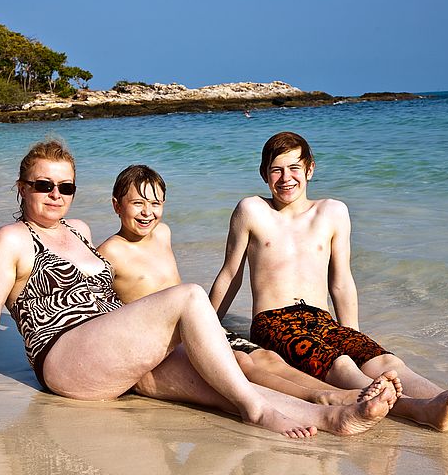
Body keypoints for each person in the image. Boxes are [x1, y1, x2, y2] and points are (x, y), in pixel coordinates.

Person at [0, 138, 399, 438]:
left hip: (116, 354)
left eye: (65, 187)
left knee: (220, 390)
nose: (55, 195)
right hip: (67, 358)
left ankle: (331, 416)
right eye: (43, 185)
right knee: (191, 297)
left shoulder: (82, 231)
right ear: (21, 187)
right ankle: (259, 411)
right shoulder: (10, 240)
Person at [208, 131, 448, 433]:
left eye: (294, 167)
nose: (285, 178)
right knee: (343, 366)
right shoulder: (252, 210)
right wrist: (206, 328)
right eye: (276, 170)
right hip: (275, 321)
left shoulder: (332, 212)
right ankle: (423, 411)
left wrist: (352, 334)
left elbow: (341, 280)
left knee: (384, 360)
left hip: (323, 320)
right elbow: (230, 275)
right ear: (264, 174)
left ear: (310, 169)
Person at [97, 163, 400, 408]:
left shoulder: (163, 233)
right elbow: (102, 310)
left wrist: (210, 322)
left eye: (155, 203)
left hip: (189, 328)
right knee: (243, 363)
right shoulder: (109, 253)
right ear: (116, 206)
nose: (147, 212)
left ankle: (327, 389)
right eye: (137, 203)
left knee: (267, 358)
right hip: (159, 340)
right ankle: (320, 396)